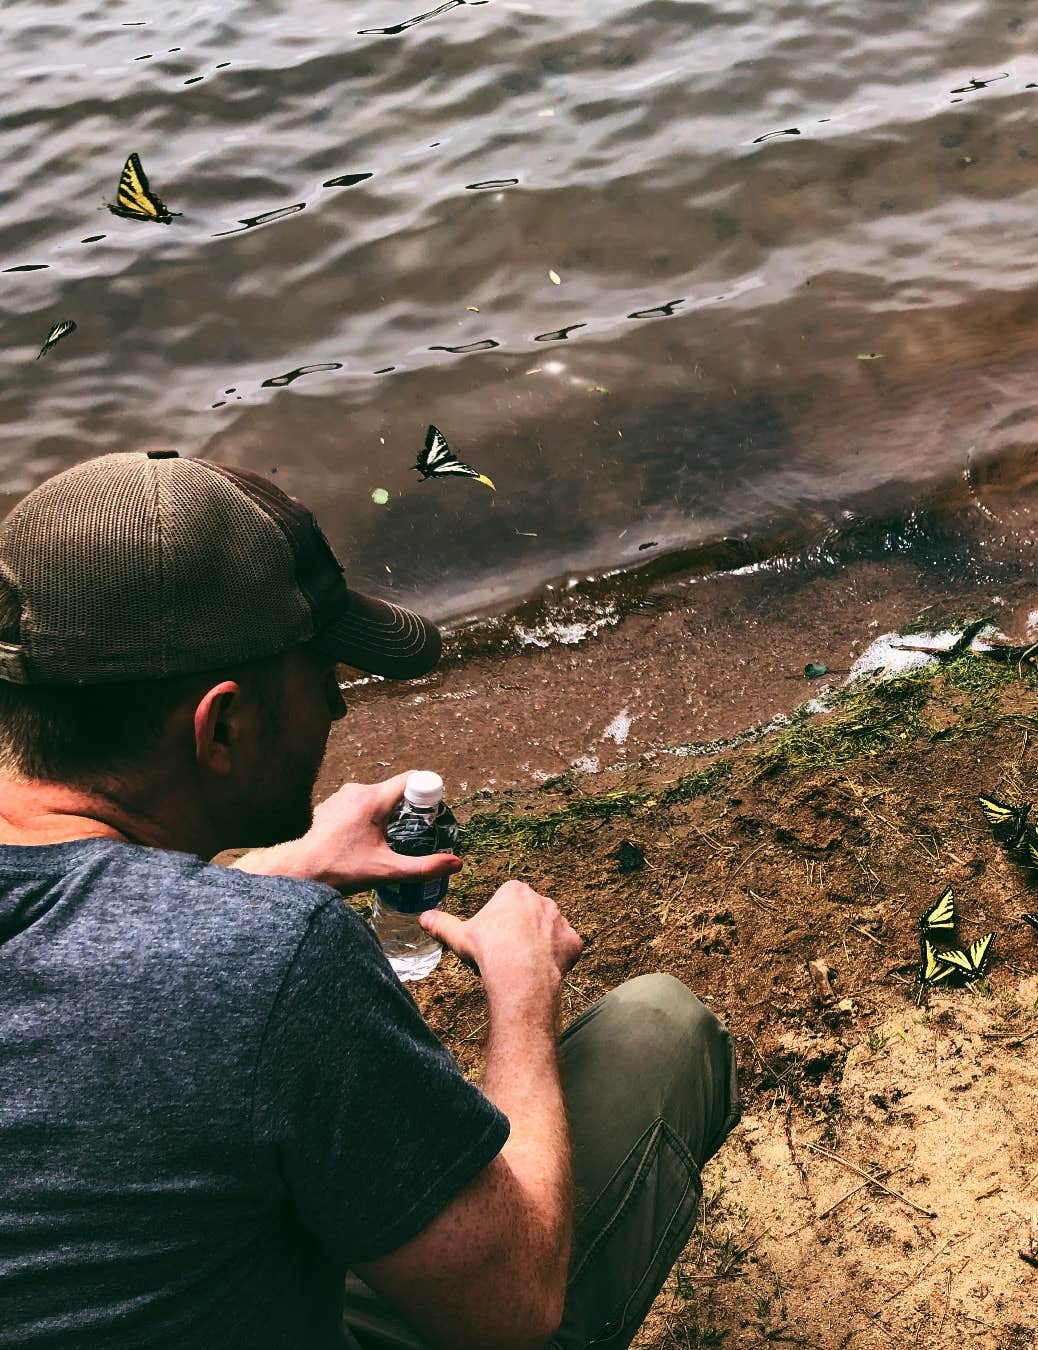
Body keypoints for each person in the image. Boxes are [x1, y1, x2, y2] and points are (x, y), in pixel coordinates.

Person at [0, 451, 737, 1349]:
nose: (340, 715)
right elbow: (510, 1310)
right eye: (324, 678)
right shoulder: (276, 961)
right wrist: (523, 990)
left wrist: (284, 863)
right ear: (222, 726)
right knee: (661, 1028)